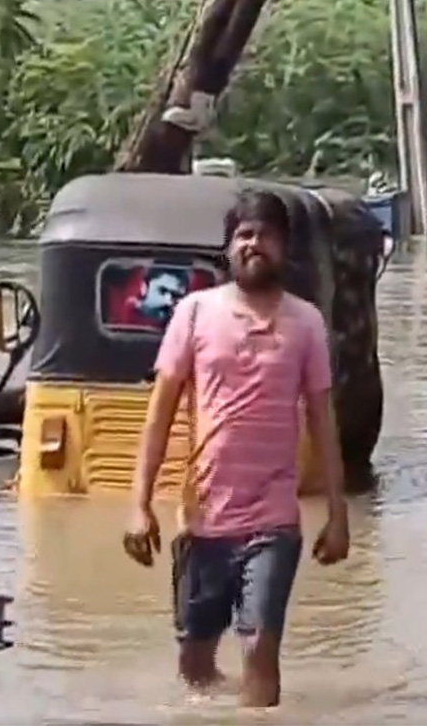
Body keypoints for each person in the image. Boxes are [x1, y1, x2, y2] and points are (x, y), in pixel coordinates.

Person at [122, 189, 349, 708]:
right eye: (244, 235)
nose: (254, 244)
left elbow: (322, 421)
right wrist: (138, 506)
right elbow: (159, 414)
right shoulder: (194, 313)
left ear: (283, 246)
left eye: (266, 234)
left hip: (273, 522)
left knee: (260, 652)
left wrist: (338, 515)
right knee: (196, 668)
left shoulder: (307, 323)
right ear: (228, 248)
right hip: (202, 521)